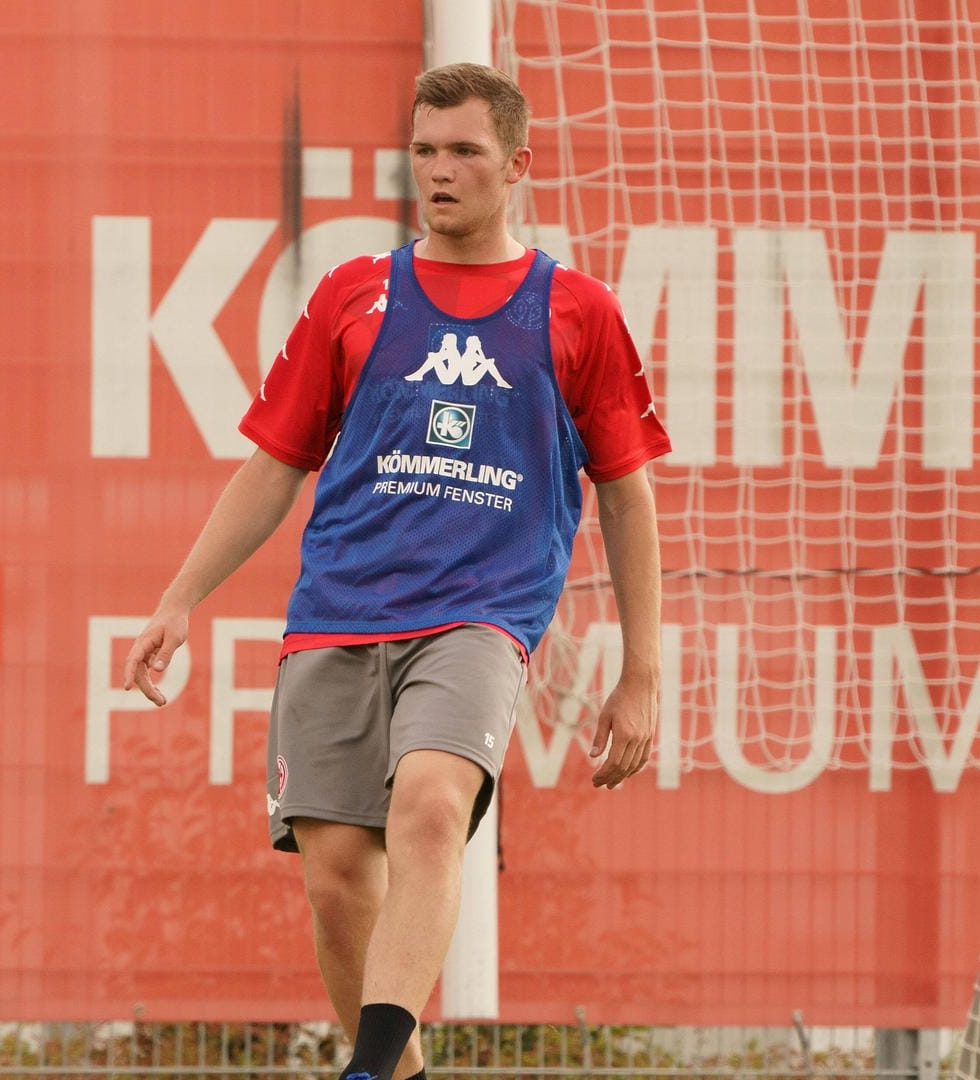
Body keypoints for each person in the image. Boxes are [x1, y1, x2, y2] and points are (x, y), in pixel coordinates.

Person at [123, 62, 669, 1080]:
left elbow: (628, 490)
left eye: (464, 150)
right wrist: (179, 599)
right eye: (425, 150)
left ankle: (366, 1072)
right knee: (336, 879)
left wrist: (642, 669)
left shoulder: (578, 312)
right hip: (336, 612)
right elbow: (276, 463)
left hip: (480, 620)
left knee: (427, 803)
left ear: (517, 166)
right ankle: (404, 1072)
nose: (440, 170)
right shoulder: (353, 293)